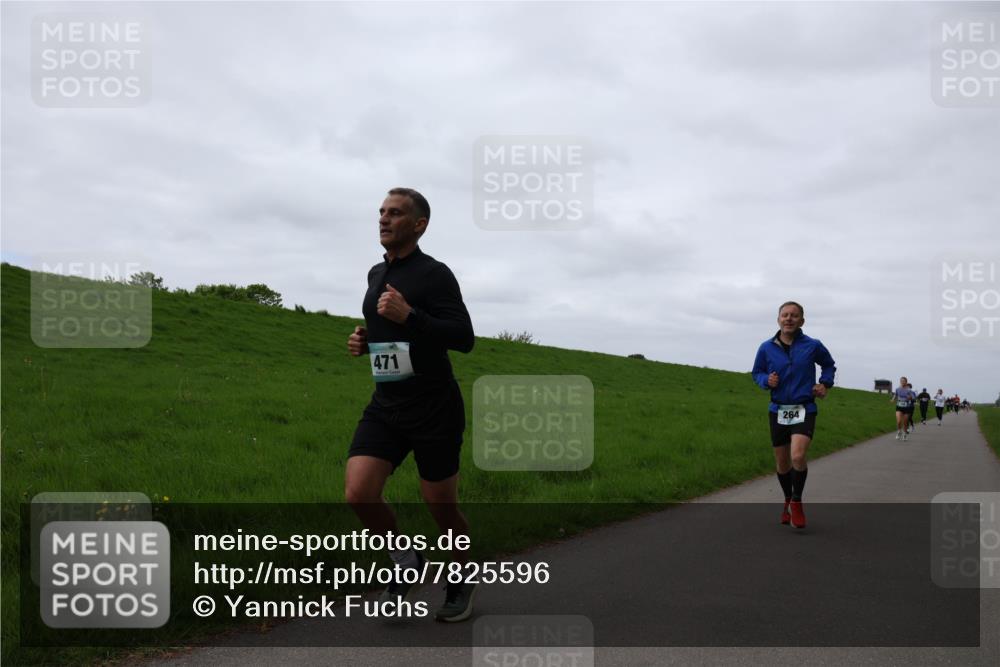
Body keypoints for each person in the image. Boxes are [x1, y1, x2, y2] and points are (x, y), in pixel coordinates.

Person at [345, 187, 478, 622]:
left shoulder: (435, 274)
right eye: (382, 211)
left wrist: (412, 316)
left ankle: (460, 576)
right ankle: (406, 561)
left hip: (434, 406)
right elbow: (388, 330)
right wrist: (366, 342)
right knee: (359, 493)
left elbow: (463, 338)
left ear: (418, 224)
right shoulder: (374, 273)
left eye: (396, 213)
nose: (384, 219)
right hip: (387, 403)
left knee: (440, 505)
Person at [752, 301, 836, 529]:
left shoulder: (813, 345)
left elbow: (829, 365)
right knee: (782, 463)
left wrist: (824, 384)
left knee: (797, 456)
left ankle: (797, 502)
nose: (789, 318)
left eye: (794, 315)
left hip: (804, 407)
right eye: (785, 315)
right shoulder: (766, 347)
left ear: (802, 321)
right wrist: (765, 381)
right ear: (778, 319)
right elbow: (756, 372)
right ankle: (787, 499)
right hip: (777, 409)